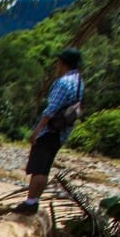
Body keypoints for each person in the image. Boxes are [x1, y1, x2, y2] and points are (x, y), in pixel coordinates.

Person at [14, 47, 84, 215]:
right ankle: (34, 201)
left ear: (62, 63)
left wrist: (36, 131)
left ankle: (30, 203)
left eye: (58, 62)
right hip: (62, 132)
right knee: (45, 168)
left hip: (50, 130)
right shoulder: (79, 82)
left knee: (38, 167)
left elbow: (50, 110)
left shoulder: (63, 82)